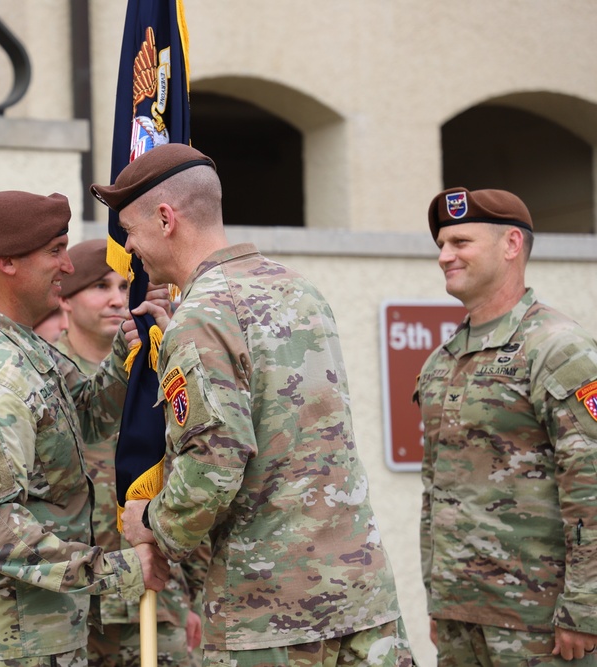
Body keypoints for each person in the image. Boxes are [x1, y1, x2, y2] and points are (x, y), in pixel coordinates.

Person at [94, 144, 412, 666]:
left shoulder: (201, 319)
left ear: (166, 218)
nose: (130, 247)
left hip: (270, 615)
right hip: (361, 597)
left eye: (130, 230)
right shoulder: (299, 289)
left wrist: (149, 522)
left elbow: (214, 469)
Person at [0, 190, 171, 666]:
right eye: (55, 251)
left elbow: (87, 416)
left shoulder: (19, 346)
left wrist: (125, 353)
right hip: (3, 641)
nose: (69, 267)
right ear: (8, 262)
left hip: (31, 629)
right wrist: (118, 572)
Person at [416, 187, 597, 665]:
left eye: (460, 242)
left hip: (542, 620)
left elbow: (590, 483)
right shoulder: (441, 361)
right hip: (461, 616)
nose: (444, 256)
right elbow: (436, 487)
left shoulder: (558, 349)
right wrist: (439, 597)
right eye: (441, 244)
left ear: (511, 244)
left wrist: (585, 608)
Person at [47, 238, 206, 667]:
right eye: (100, 286)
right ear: (64, 299)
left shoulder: (159, 367)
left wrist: (197, 594)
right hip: (81, 603)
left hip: (159, 598)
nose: (117, 299)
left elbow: (191, 471)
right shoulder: (49, 380)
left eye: (124, 286)